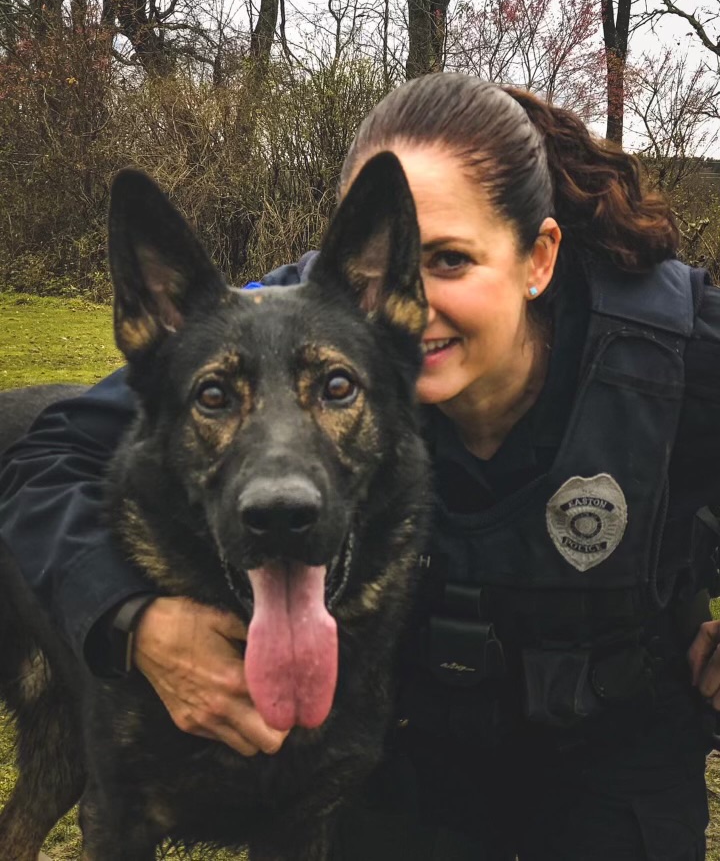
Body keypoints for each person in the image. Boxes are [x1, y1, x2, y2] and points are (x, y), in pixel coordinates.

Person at [2, 72, 720, 860]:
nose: (409, 305)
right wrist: (131, 620)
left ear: (537, 257)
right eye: (403, 266)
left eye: (449, 260)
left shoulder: (673, 354)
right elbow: (49, 451)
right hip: (421, 741)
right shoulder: (302, 319)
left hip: (618, 741)